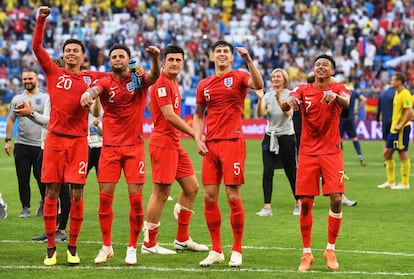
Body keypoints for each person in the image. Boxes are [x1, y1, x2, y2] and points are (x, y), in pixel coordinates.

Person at [32, 6, 107, 266]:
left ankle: (72, 247)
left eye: (76, 50)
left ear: (83, 56)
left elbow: (111, 80)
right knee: (51, 192)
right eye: (68, 50)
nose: (71, 53)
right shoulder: (54, 73)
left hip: (78, 143)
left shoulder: (91, 77)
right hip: (54, 140)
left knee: (77, 194)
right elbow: (37, 48)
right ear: (63, 54)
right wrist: (41, 20)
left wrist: (95, 92)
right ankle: (51, 248)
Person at [80, 43, 160, 265]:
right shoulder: (105, 80)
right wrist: (87, 94)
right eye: (113, 56)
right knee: (105, 200)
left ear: (128, 59)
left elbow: (154, 77)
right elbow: (94, 90)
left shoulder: (138, 78)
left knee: (136, 202)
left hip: (134, 149)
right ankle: (106, 246)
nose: (117, 59)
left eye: (121, 56)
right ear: (110, 60)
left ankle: (132, 247)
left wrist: (155, 58)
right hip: (110, 149)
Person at [192, 40, 264, 268]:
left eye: (226, 52)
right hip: (211, 145)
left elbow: (259, 83)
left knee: (233, 197)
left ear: (232, 58)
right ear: (213, 56)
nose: (222, 54)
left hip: (232, 142)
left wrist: (249, 60)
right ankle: (216, 250)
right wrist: (197, 137)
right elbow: (198, 114)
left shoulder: (240, 76)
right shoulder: (203, 84)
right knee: (209, 197)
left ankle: (237, 249)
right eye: (218, 52)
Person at [284, 54, 351, 272]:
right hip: (308, 154)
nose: (320, 67)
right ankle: (306, 254)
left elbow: (347, 102)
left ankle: (330, 249)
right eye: (317, 65)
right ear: (313, 70)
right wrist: (290, 100)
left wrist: (335, 97)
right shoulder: (303, 89)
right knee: (305, 203)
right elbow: (288, 100)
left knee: (337, 199)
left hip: (332, 152)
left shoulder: (340, 88)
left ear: (332, 71)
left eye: (325, 65)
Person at [141, 45, 208, 255]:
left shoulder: (173, 82)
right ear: (164, 62)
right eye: (171, 60)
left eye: (178, 60)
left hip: (174, 143)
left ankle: (182, 239)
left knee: (191, 187)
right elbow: (169, 115)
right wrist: (194, 133)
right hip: (163, 143)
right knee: (161, 193)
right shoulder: (161, 83)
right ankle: (149, 244)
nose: (175, 63)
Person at [255, 68, 300, 217]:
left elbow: (288, 114)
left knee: (291, 171)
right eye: (273, 76)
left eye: (278, 76)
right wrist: (261, 98)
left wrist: (279, 98)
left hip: (286, 137)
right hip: (270, 136)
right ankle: (267, 207)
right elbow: (260, 114)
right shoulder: (268, 95)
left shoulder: (290, 95)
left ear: (284, 79)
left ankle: (298, 203)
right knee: (267, 171)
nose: (275, 78)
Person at [4, 68, 48, 218]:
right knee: (22, 178)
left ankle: (44, 202)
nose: (27, 81)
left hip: (40, 145)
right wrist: (8, 140)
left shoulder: (45, 97)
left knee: (41, 177)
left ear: (37, 79)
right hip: (22, 144)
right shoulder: (17, 99)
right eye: (25, 79)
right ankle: (25, 208)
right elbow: (10, 119)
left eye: (30, 78)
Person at [377, 72, 412, 190]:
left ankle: (405, 183)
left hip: (401, 129)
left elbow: (409, 111)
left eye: (393, 80)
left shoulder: (405, 94)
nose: (391, 82)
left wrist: (401, 125)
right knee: (387, 153)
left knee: (402, 153)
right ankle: (391, 181)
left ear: (399, 82)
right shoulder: (397, 93)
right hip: (393, 129)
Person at [339, 89, 367, 166]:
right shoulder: (353, 92)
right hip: (350, 118)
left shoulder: (339, 91)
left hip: (341, 118)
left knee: (339, 139)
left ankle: (340, 158)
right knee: (354, 138)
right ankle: (360, 155)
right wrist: (357, 110)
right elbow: (364, 99)